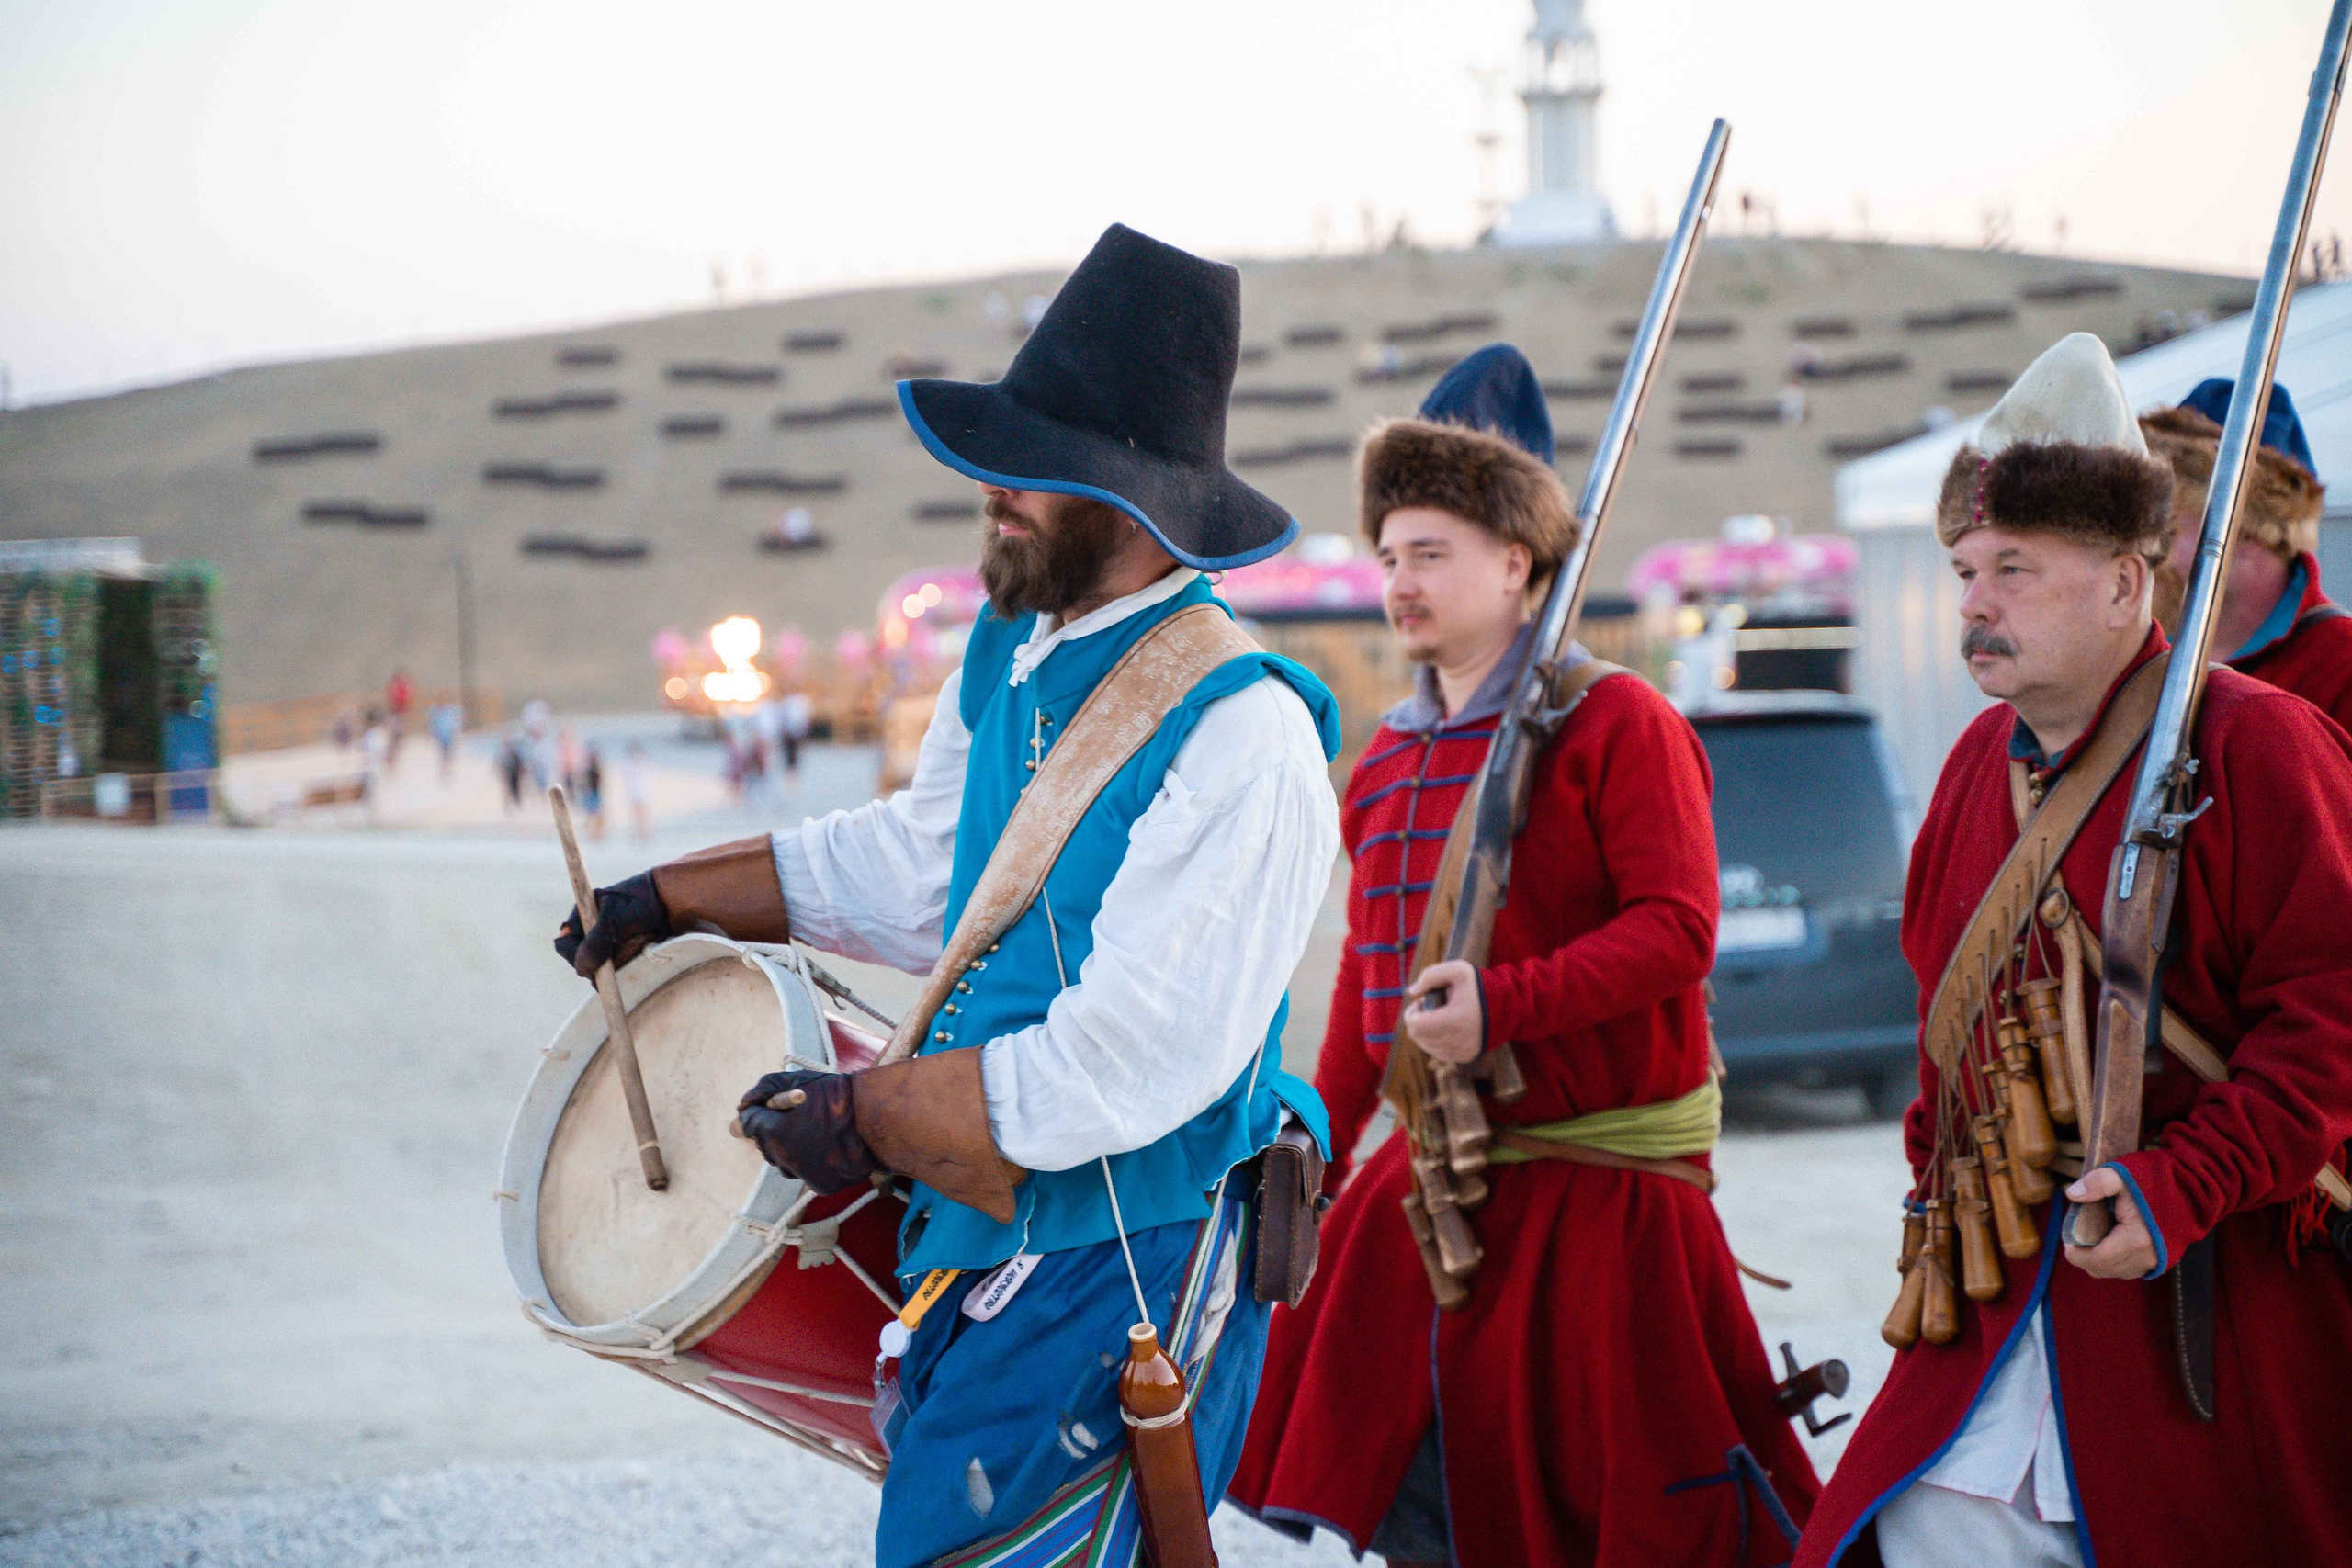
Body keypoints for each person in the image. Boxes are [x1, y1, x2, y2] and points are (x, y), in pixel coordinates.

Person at [554, 224, 1344, 1568]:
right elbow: (934, 871)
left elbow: (1131, 1055)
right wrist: (672, 896)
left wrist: (868, 1116)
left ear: (1137, 502)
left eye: (1034, 473)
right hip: (980, 1235)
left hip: (1126, 1264)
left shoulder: (1242, 733)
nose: (995, 492)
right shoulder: (1016, 650)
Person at [1230, 345, 1819, 1568]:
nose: (1399, 580)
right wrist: (1314, 1146)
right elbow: (1370, 988)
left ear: (1519, 559)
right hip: (1438, 1198)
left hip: (1604, 1205)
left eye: (1430, 551)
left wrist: (1506, 1002)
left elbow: (1678, 929)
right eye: (1388, 554)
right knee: (1433, 1514)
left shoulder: (1620, 722)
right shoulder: (1386, 758)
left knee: (1645, 1527)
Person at [1792, 334, 2352, 1567]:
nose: (1976, 601)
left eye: (2015, 568)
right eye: (1964, 569)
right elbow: (1947, 1058)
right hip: (1995, 1324)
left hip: (2208, 1323)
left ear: (2123, 579)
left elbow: (2333, 1023)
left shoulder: (2261, 745)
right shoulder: (1965, 778)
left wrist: (2183, 1180)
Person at [2143, 378, 2352, 729]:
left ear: (2249, 531)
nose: (2142, 548)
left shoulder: (2340, 666)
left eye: (2167, 523)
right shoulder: (2141, 659)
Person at [384, 668, 413, 767]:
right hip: (395, 714)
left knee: (398, 737)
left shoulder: (402, 687)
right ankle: (390, 759)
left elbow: (407, 700)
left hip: (400, 714)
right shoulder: (395, 687)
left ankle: (393, 758)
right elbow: (394, 701)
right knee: (395, 737)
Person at [429, 700, 461, 782]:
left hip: (448, 738)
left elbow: (454, 725)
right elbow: (434, 726)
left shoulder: (449, 713)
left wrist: (454, 733)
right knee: (444, 754)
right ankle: (444, 768)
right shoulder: (437, 714)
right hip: (442, 738)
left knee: (448, 753)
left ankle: (447, 768)